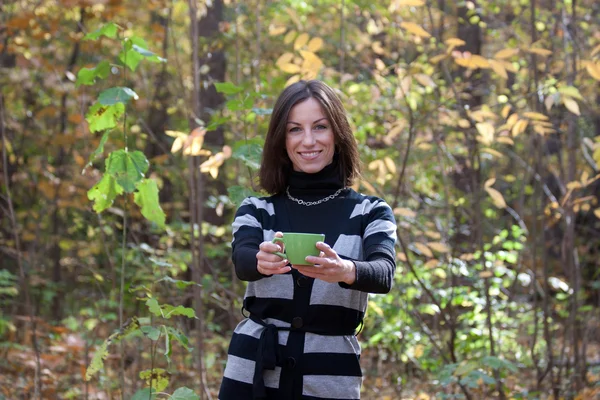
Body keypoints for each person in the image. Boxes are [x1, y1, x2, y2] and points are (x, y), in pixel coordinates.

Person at [218, 80, 397, 399]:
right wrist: (261, 262)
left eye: (320, 127)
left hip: (329, 375)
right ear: (281, 140)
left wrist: (346, 271)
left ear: (338, 134)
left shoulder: (371, 211)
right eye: (295, 129)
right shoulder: (257, 209)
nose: (309, 140)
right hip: (252, 369)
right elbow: (243, 263)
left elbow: (384, 273)